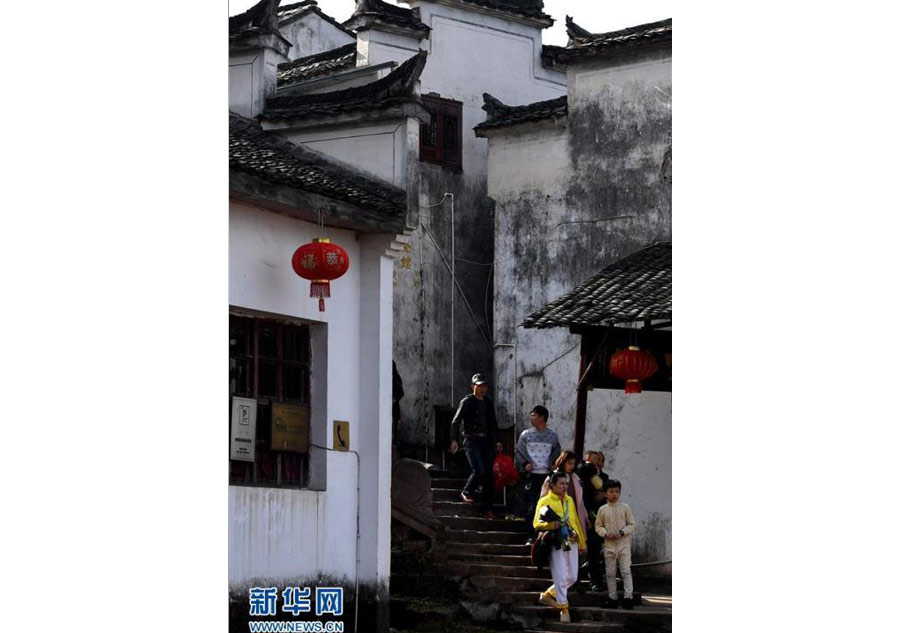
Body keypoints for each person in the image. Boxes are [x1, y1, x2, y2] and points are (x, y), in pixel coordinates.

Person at [533, 472, 587, 623]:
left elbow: (575, 521)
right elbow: (536, 523)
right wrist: (552, 525)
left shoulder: (569, 500)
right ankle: (563, 608)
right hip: (556, 541)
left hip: (571, 540)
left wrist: (582, 542)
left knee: (572, 576)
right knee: (560, 575)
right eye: (561, 483)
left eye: (566, 484)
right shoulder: (545, 501)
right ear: (552, 485)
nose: (564, 486)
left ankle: (547, 595)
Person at [449, 373, 503, 519]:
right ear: (473, 386)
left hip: (486, 441)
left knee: (489, 476)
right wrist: (454, 440)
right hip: (471, 440)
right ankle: (466, 491)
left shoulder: (488, 402)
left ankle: (487, 508)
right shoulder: (467, 401)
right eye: (479, 386)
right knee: (478, 470)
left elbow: (493, 422)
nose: (482, 389)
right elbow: (456, 421)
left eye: (484, 386)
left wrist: (498, 440)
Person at [594, 479, 636, 609]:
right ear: (606, 493)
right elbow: (598, 526)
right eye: (611, 491)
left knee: (625, 571)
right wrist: (605, 533)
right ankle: (612, 597)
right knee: (610, 573)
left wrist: (622, 532)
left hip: (623, 545)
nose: (614, 494)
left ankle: (628, 597)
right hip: (609, 545)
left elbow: (632, 524)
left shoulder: (625, 508)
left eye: (617, 491)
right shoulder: (602, 510)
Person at [515, 405, 561, 522]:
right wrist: (525, 464)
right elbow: (518, 451)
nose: (531, 418)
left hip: (546, 475)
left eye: (533, 415)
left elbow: (557, 451)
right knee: (530, 503)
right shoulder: (526, 434)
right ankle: (529, 528)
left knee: (543, 502)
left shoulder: (553, 435)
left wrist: (553, 464)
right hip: (530, 474)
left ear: (542, 417)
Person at [576, 450, 611, 591]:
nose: (598, 463)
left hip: (597, 518)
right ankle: (576, 579)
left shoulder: (604, 477)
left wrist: (604, 493)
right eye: (596, 459)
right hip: (581, 514)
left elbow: (609, 490)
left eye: (601, 460)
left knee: (595, 550)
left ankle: (595, 581)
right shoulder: (583, 470)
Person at [540, 451, 590, 539]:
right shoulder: (552, 477)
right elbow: (543, 497)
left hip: (572, 514)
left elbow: (580, 501)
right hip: (556, 515)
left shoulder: (575, 478)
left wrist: (585, 517)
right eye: (569, 463)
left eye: (574, 464)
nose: (572, 466)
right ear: (563, 462)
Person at [392, 361, 404, 438]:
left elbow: (401, 392)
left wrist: (395, 399)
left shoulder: (396, 378)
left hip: (394, 406)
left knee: (394, 426)